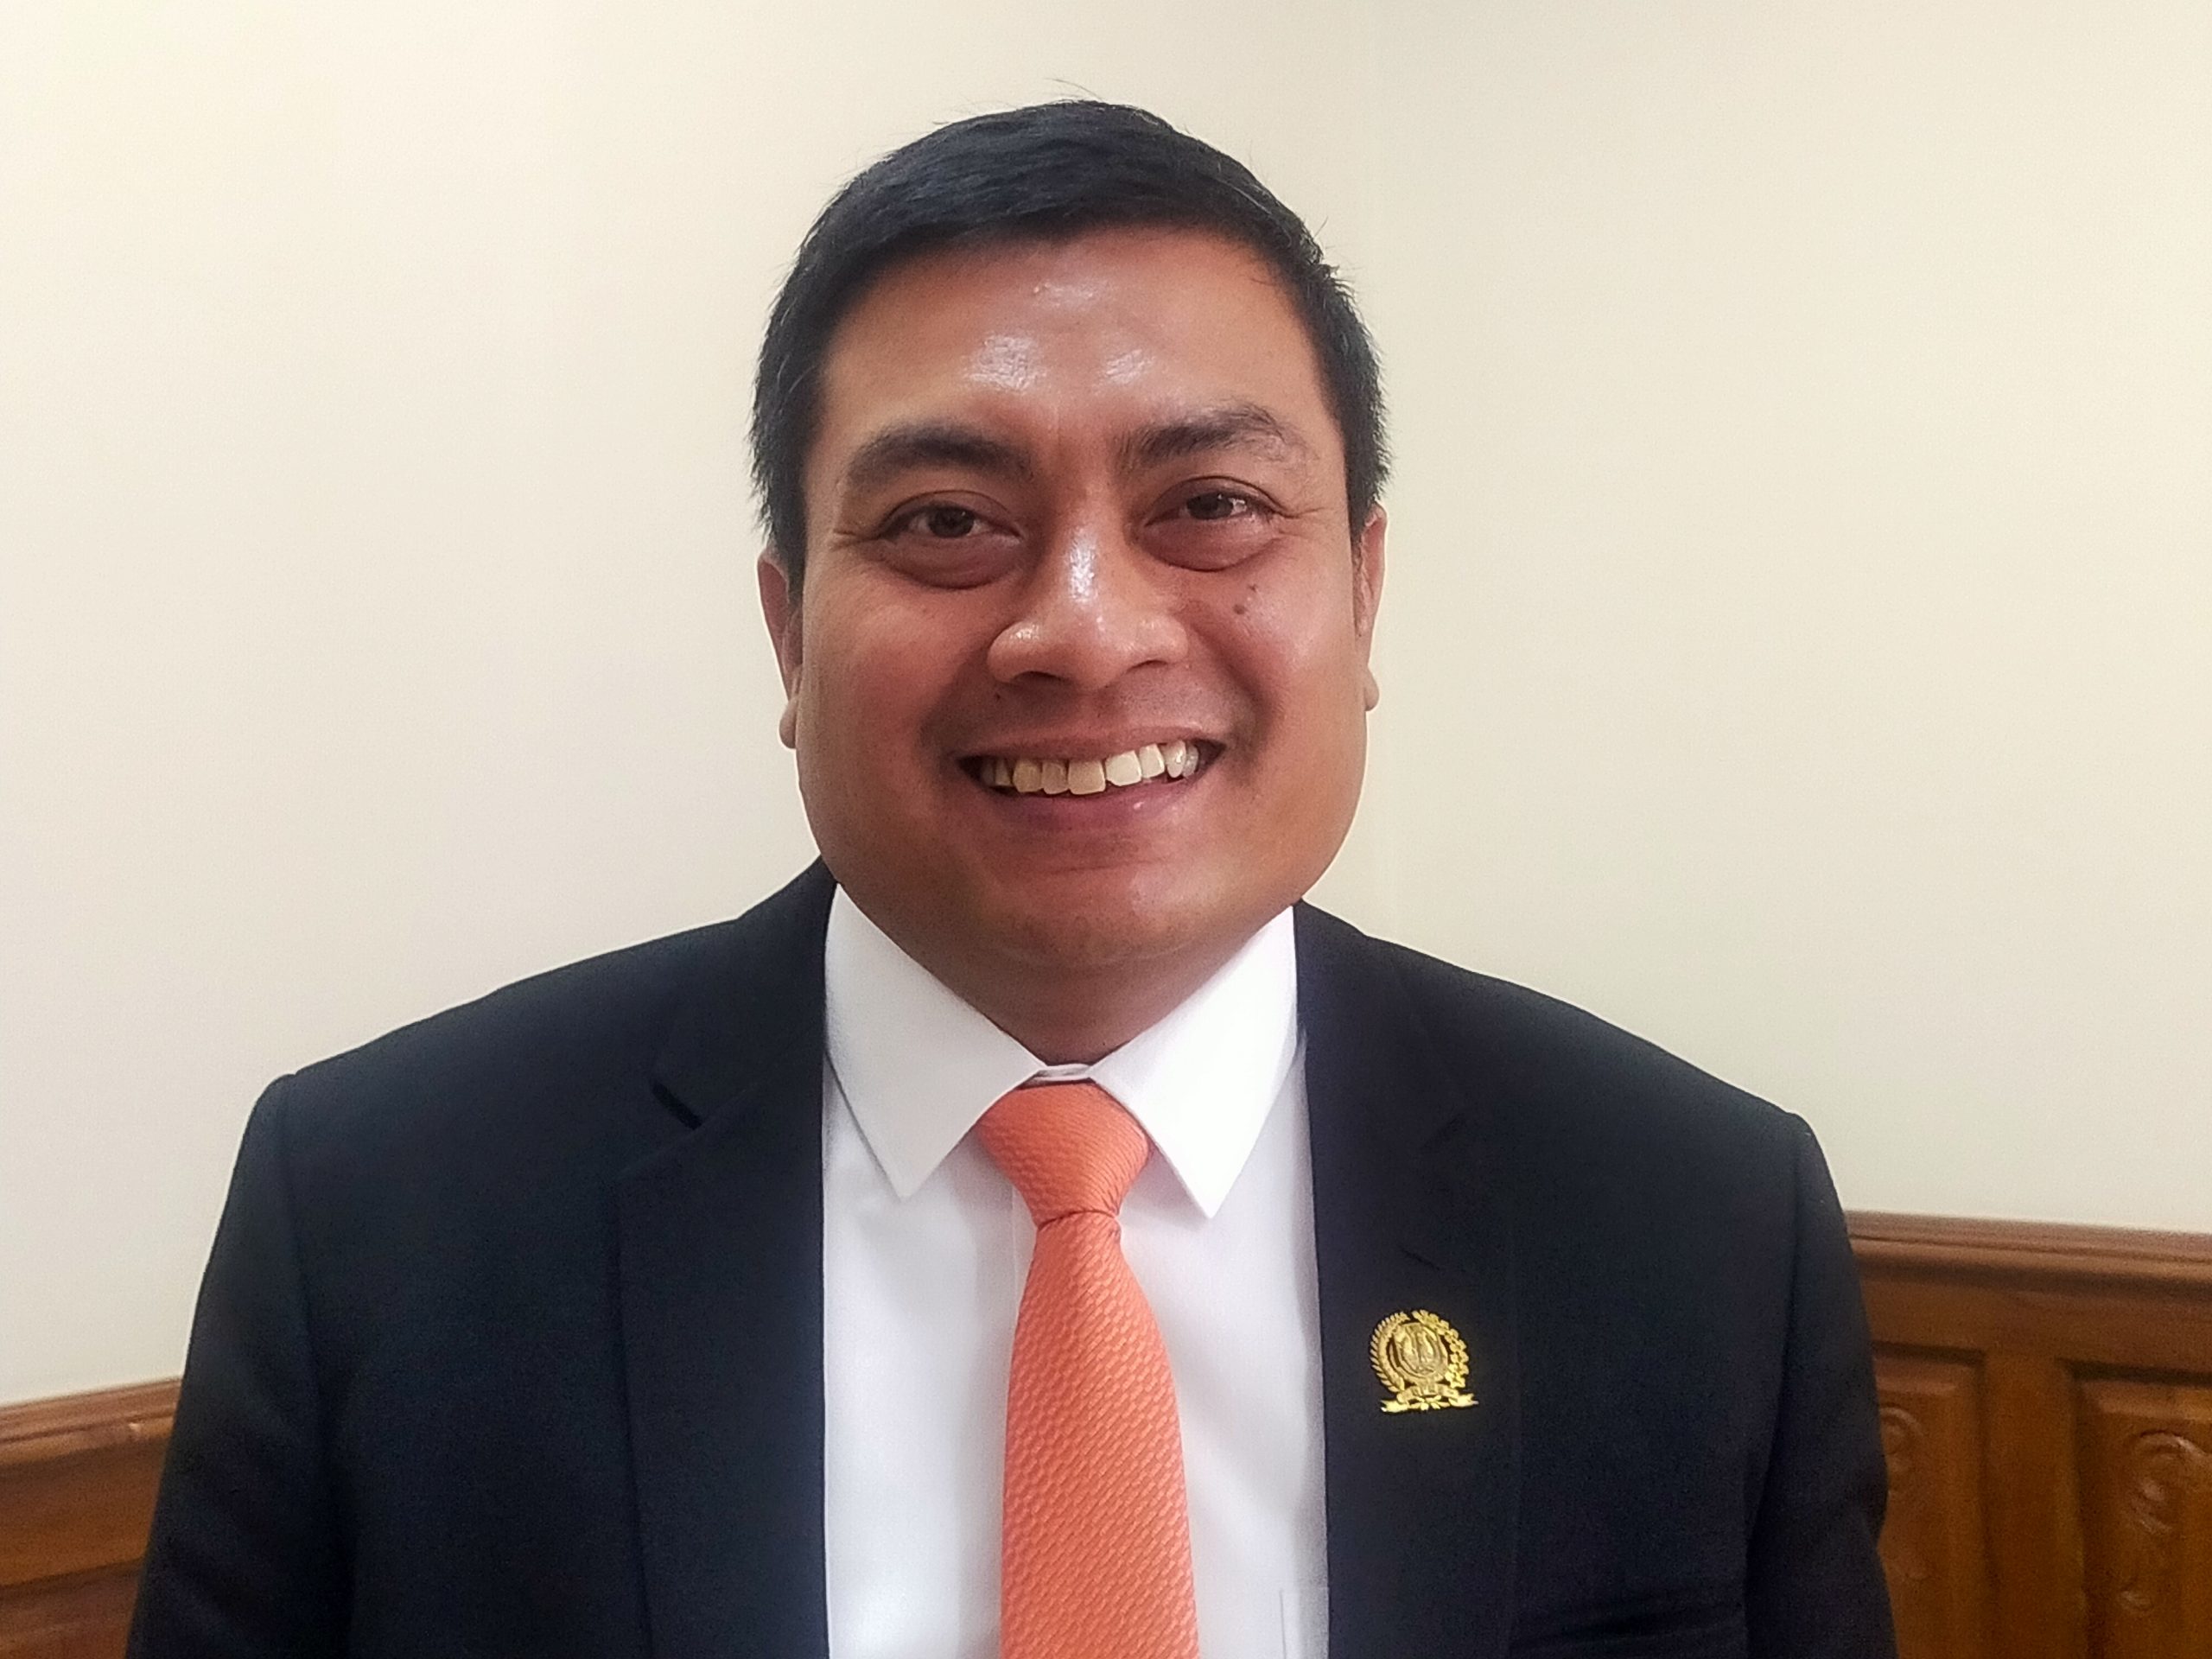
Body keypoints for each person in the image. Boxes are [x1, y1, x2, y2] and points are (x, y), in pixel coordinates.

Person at [129, 101, 1895, 1659]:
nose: (1084, 632)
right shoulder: (379, 1216)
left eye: (1209, 503)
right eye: (945, 524)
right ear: (788, 632)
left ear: (1363, 597)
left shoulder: (1689, 1220)